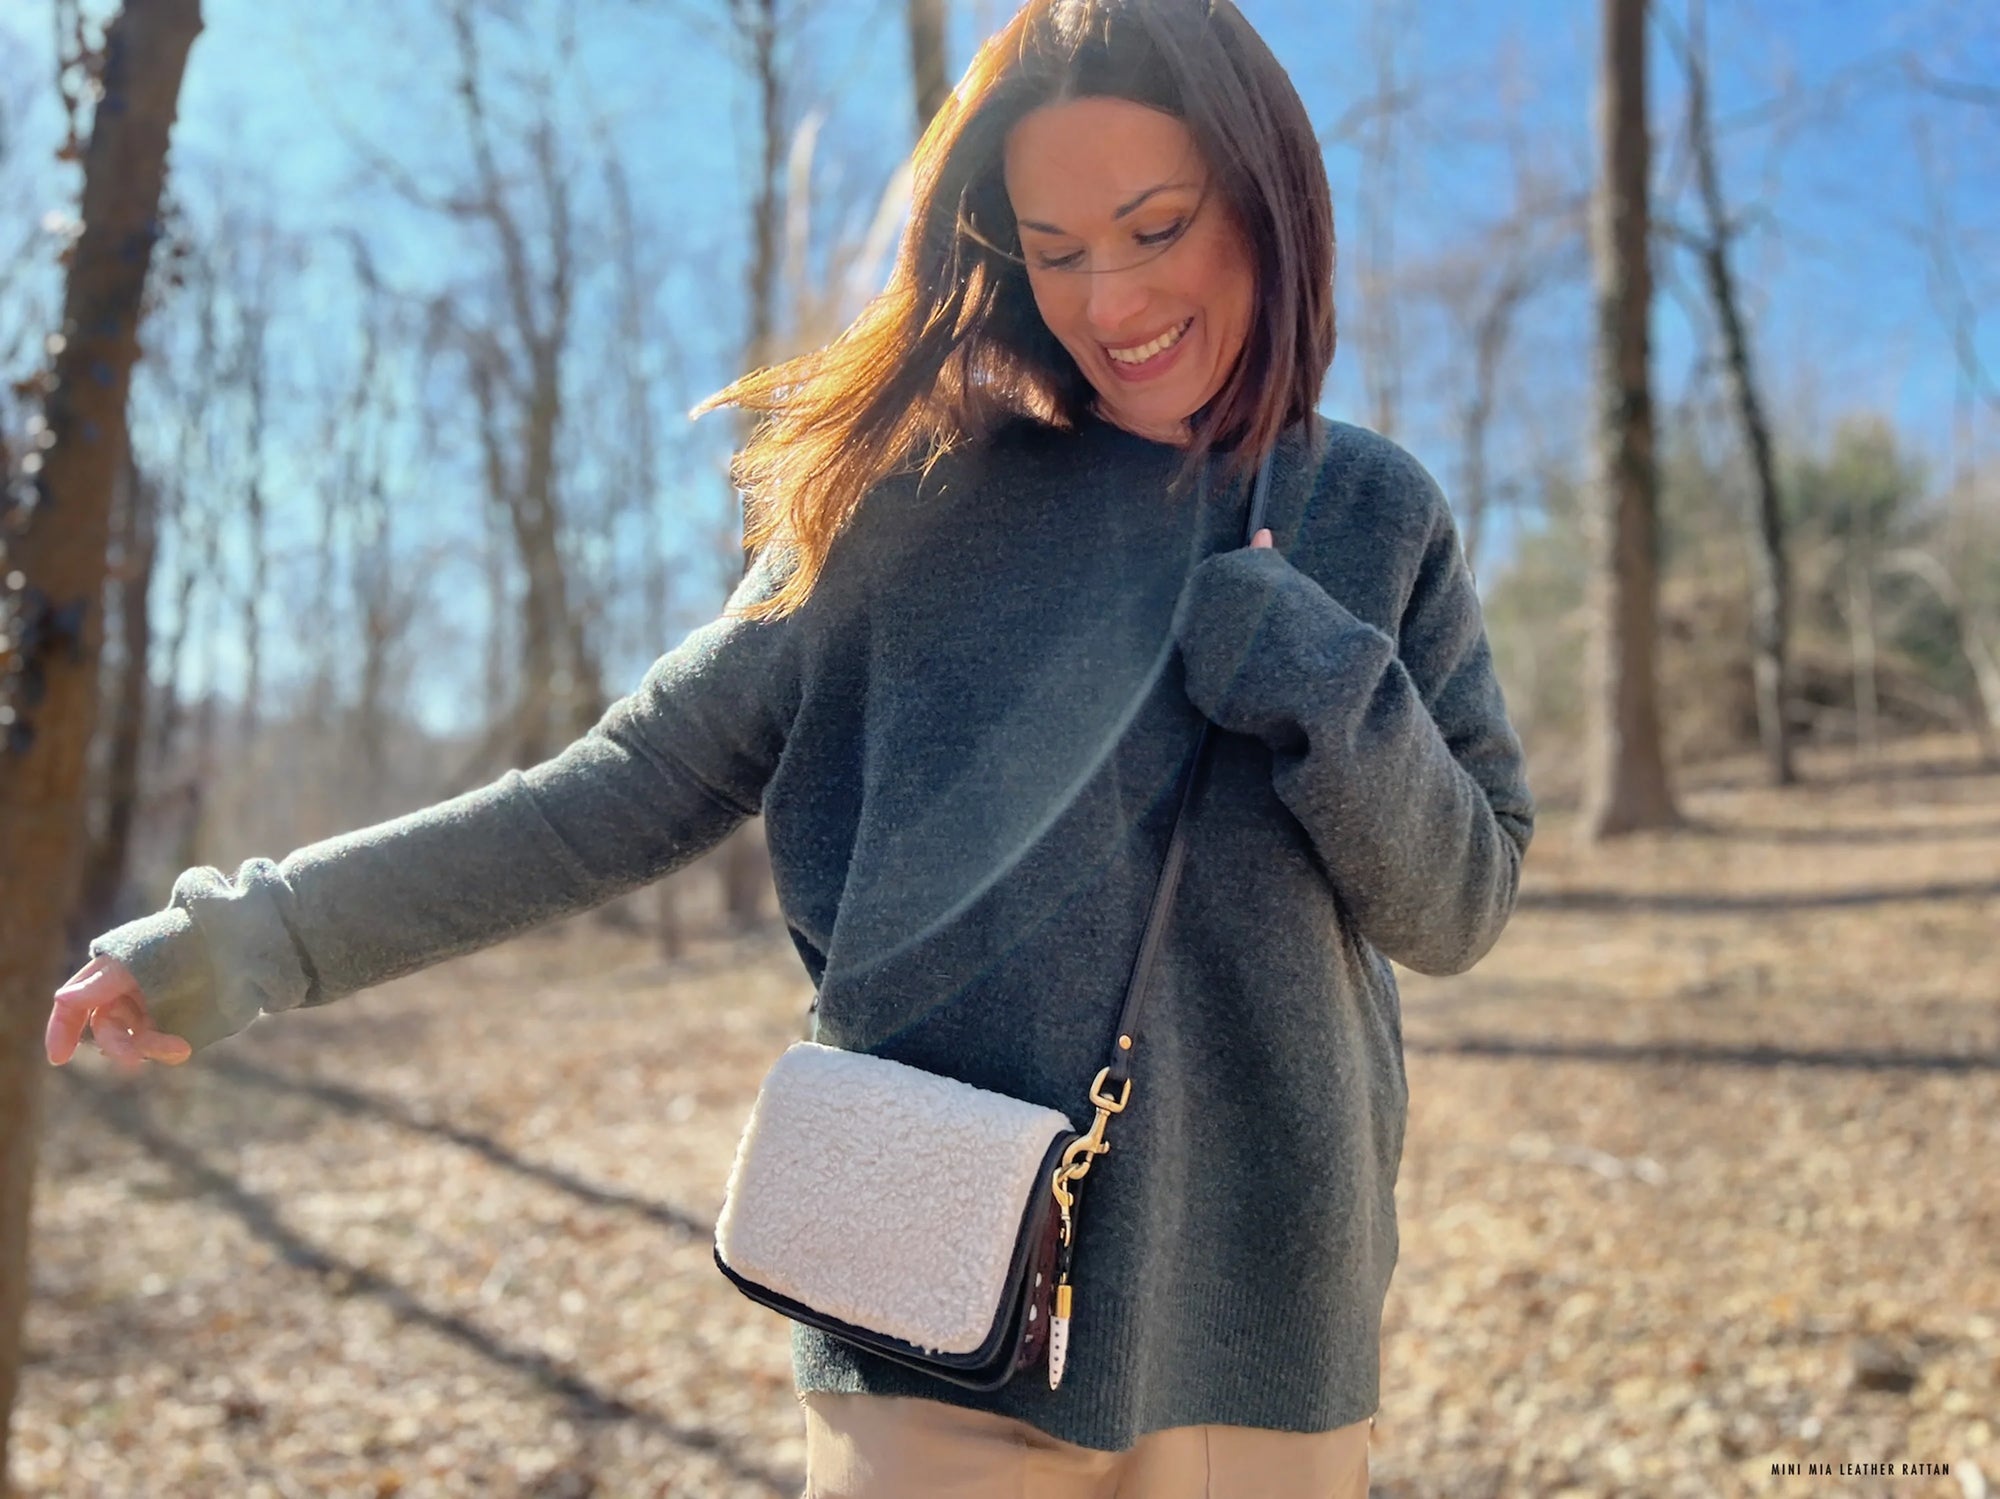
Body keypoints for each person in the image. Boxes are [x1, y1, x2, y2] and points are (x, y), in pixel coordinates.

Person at [48, 0, 1535, 1492]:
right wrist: (250, 939)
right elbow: (618, 793)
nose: (1110, 297)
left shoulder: (1374, 514)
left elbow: (1459, 903)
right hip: (932, 1315)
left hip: (1263, 1340)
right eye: (1057, 247)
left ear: (1265, 197)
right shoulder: (913, 499)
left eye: (1154, 227)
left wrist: (1325, 677)